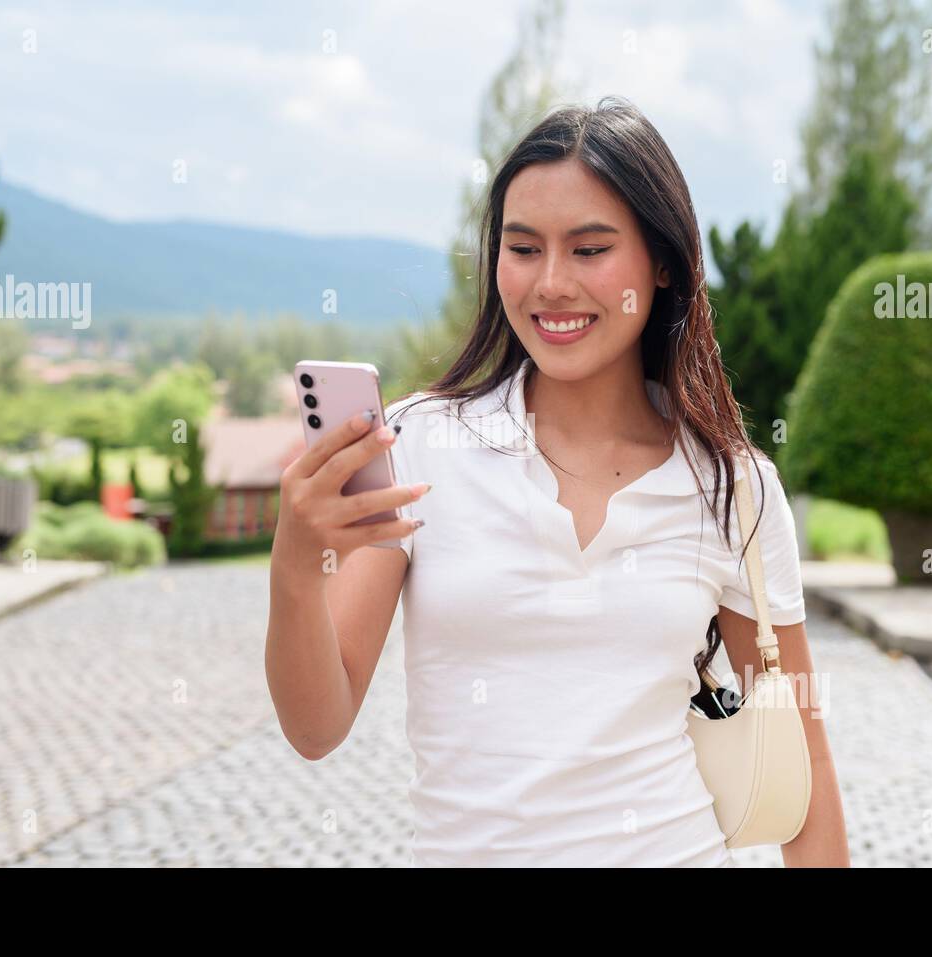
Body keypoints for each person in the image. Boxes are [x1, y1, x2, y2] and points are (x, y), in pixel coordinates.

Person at [266, 95, 849, 868]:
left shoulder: (733, 486)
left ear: (664, 263)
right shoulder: (419, 447)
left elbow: (805, 776)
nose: (550, 284)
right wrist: (296, 567)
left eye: (589, 249)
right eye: (523, 247)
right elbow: (316, 728)